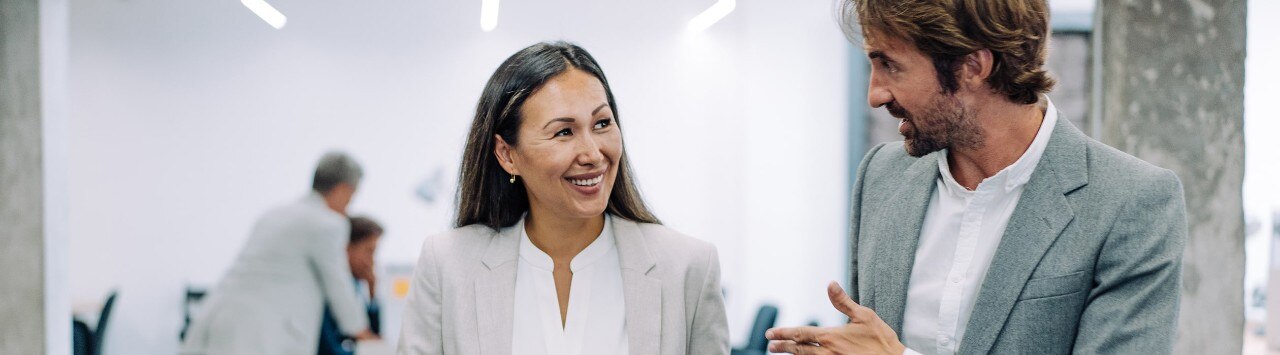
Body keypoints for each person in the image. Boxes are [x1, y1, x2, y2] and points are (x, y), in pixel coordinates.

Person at [766, 1, 1189, 354]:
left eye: (890, 65)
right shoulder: (881, 176)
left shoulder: (1132, 202)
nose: (875, 94)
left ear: (973, 65)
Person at [397, 41, 729, 355]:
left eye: (601, 123)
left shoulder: (688, 267)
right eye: (564, 132)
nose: (593, 153)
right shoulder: (447, 265)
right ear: (507, 153)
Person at [181, 152, 378, 355]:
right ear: (342, 190)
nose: (348, 207)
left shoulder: (273, 215)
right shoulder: (328, 224)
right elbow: (339, 287)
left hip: (217, 320)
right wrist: (364, 334)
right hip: (260, 333)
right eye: (351, 198)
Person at [318, 216, 385, 355]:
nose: (371, 261)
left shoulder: (355, 286)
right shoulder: (330, 288)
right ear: (347, 248)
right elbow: (328, 346)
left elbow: (371, 336)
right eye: (369, 251)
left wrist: (372, 292)